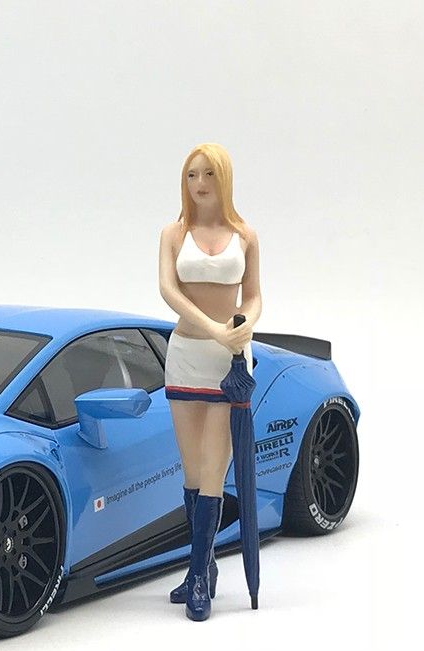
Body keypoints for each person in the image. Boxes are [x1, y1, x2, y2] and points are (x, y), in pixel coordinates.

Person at [157, 143, 262, 621]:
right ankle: (204, 564)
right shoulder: (173, 234)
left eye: (208, 175)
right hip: (186, 357)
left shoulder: (246, 235)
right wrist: (214, 328)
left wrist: (244, 325)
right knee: (193, 472)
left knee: (215, 470)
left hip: (229, 362)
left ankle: (197, 575)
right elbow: (168, 291)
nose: (199, 184)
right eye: (192, 175)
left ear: (224, 179)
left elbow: (254, 295)